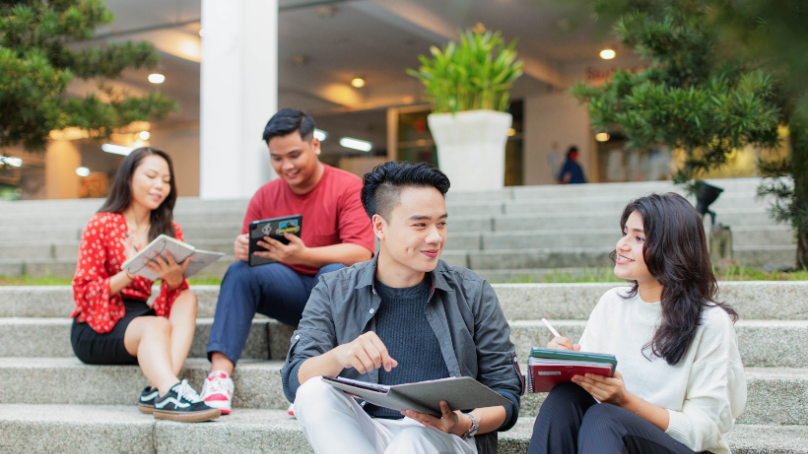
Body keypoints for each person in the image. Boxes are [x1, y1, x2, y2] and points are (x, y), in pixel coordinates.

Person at [281, 162, 524, 454]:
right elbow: (295, 380)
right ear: (379, 226)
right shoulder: (335, 289)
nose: (435, 237)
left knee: (413, 438)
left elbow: (506, 395)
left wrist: (463, 422)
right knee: (313, 390)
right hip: (367, 436)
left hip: (447, 438)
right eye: (420, 224)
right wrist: (340, 354)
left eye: (442, 223)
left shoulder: (472, 292)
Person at [527, 193, 746, 454]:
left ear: (673, 247)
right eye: (624, 232)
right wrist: (563, 362)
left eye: (638, 237)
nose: (622, 245)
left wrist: (627, 402)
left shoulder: (709, 322)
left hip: (685, 448)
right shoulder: (612, 303)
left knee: (605, 418)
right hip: (609, 439)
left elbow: (705, 431)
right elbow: (590, 390)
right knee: (565, 397)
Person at [201, 108, 375, 414]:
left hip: (337, 297)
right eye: (276, 158)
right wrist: (244, 249)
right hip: (290, 291)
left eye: (294, 155)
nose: (286, 166)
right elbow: (253, 256)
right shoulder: (264, 196)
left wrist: (303, 254)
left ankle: (318, 381)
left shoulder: (347, 187)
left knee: (335, 272)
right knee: (240, 271)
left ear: (315, 145)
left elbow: (361, 253)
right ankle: (219, 375)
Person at [71, 147, 220, 423]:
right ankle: (171, 389)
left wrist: (175, 279)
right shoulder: (101, 224)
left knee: (187, 298)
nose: (159, 186)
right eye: (151, 176)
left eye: (165, 180)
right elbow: (84, 295)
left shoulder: (169, 230)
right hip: (97, 324)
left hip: (141, 319)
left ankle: (159, 390)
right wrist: (129, 272)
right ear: (128, 178)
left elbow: (170, 297)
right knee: (156, 325)